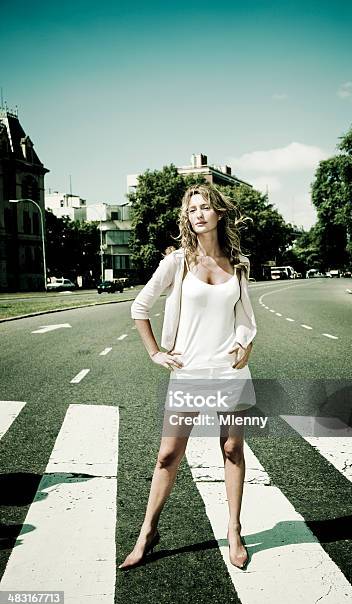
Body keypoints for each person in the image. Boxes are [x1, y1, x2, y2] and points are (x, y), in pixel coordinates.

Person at [119, 183, 257, 571]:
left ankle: (233, 530)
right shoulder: (177, 262)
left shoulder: (238, 264)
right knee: (168, 455)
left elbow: (246, 319)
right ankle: (147, 532)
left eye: (206, 208)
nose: (198, 214)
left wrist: (245, 343)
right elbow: (139, 307)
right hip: (190, 373)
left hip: (231, 373)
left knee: (232, 450)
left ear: (219, 215)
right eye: (193, 209)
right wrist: (155, 352)